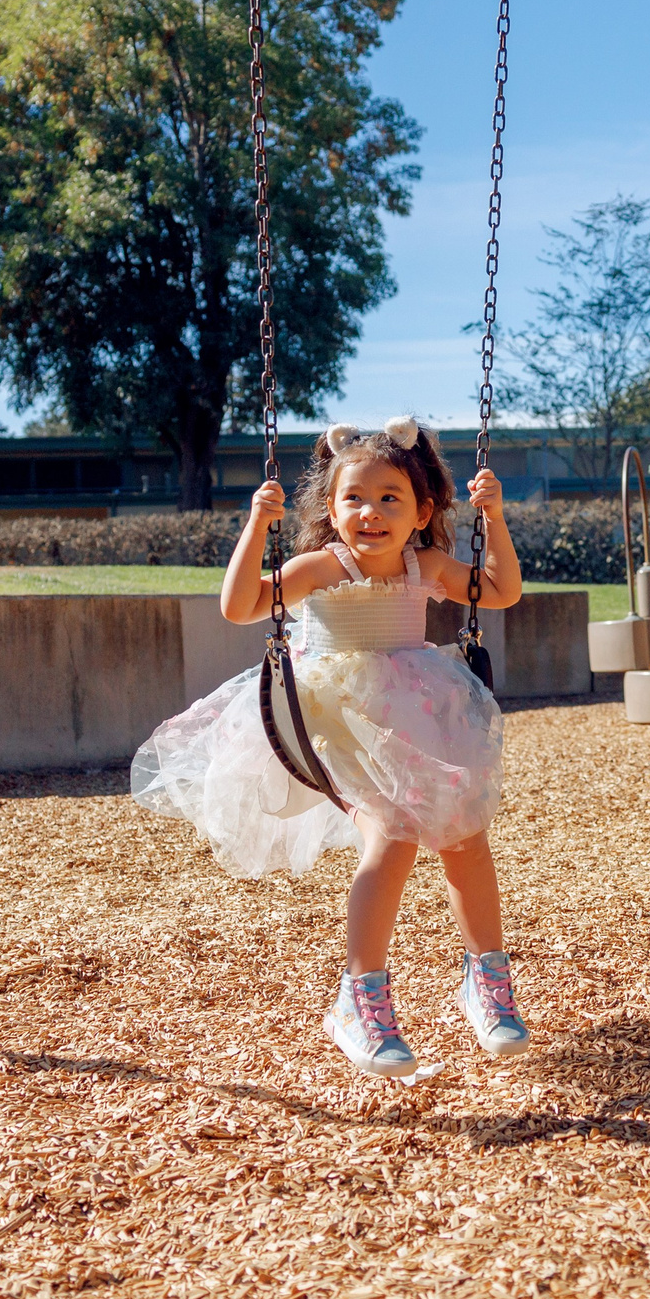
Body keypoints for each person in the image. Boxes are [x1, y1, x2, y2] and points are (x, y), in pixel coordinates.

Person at [133, 417, 528, 1080]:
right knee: (394, 837)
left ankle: (484, 982)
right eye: (354, 498)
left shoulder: (422, 563)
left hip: (418, 712)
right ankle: (360, 996)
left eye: (389, 498)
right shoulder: (320, 565)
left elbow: (500, 591)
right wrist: (257, 526)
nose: (370, 512)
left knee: (465, 837)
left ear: (421, 510)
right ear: (332, 507)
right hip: (334, 715)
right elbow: (242, 606)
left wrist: (497, 517)